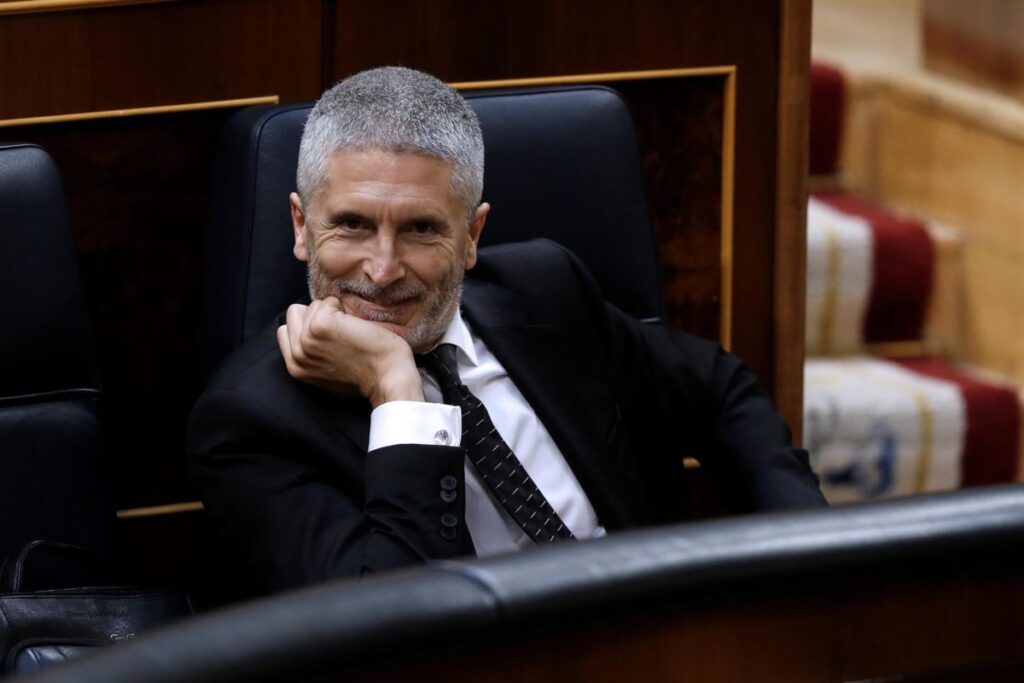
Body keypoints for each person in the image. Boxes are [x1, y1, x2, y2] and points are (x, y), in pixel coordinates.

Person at [188, 66, 825, 596]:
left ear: (472, 237)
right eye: (351, 224)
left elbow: (718, 388)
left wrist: (814, 552)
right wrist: (397, 391)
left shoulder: (544, 288)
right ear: (301, 226)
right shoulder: (250, 424)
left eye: (422, 229)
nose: (382, 270)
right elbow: (397, 629)